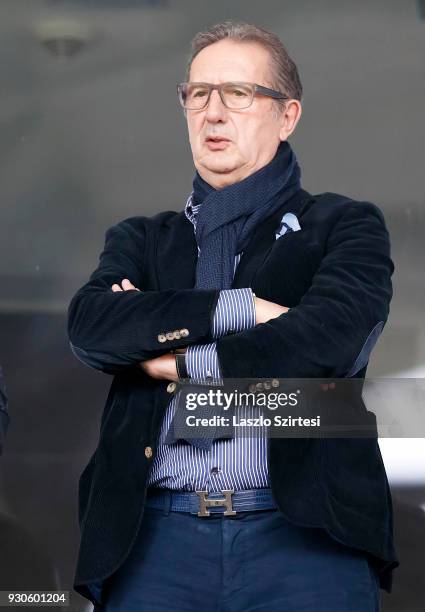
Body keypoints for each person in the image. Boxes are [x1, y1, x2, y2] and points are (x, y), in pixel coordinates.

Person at [68, 21, 399, 611]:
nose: (213, 113)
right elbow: (93, 327)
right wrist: (237, 306)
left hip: (303, 540)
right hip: (152, 541)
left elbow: (328, 343)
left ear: (287, 115)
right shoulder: (141, 239)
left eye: (238, 94)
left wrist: (179, 365)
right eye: (198, 94)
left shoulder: (343, 225)